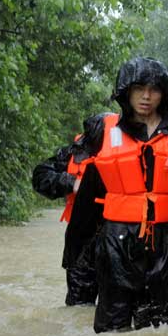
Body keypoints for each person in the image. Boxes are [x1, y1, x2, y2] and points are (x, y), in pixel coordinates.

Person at [70, 57, 168, 333]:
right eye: (139, 88)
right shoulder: (102, 129)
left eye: (154, 89)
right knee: (112, 332)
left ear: (164, 94)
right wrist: (76, 251)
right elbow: (79, 189)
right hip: (118, 242)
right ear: (126, 91)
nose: (146, 96)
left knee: (162, 334)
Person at [31, 114, 108, 306]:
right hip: (81, 242)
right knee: (79, 308)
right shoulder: (73, 152)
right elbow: (40, 175)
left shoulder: (137, 150)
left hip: (122, 239)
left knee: (119, 310)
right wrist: (71, 182)